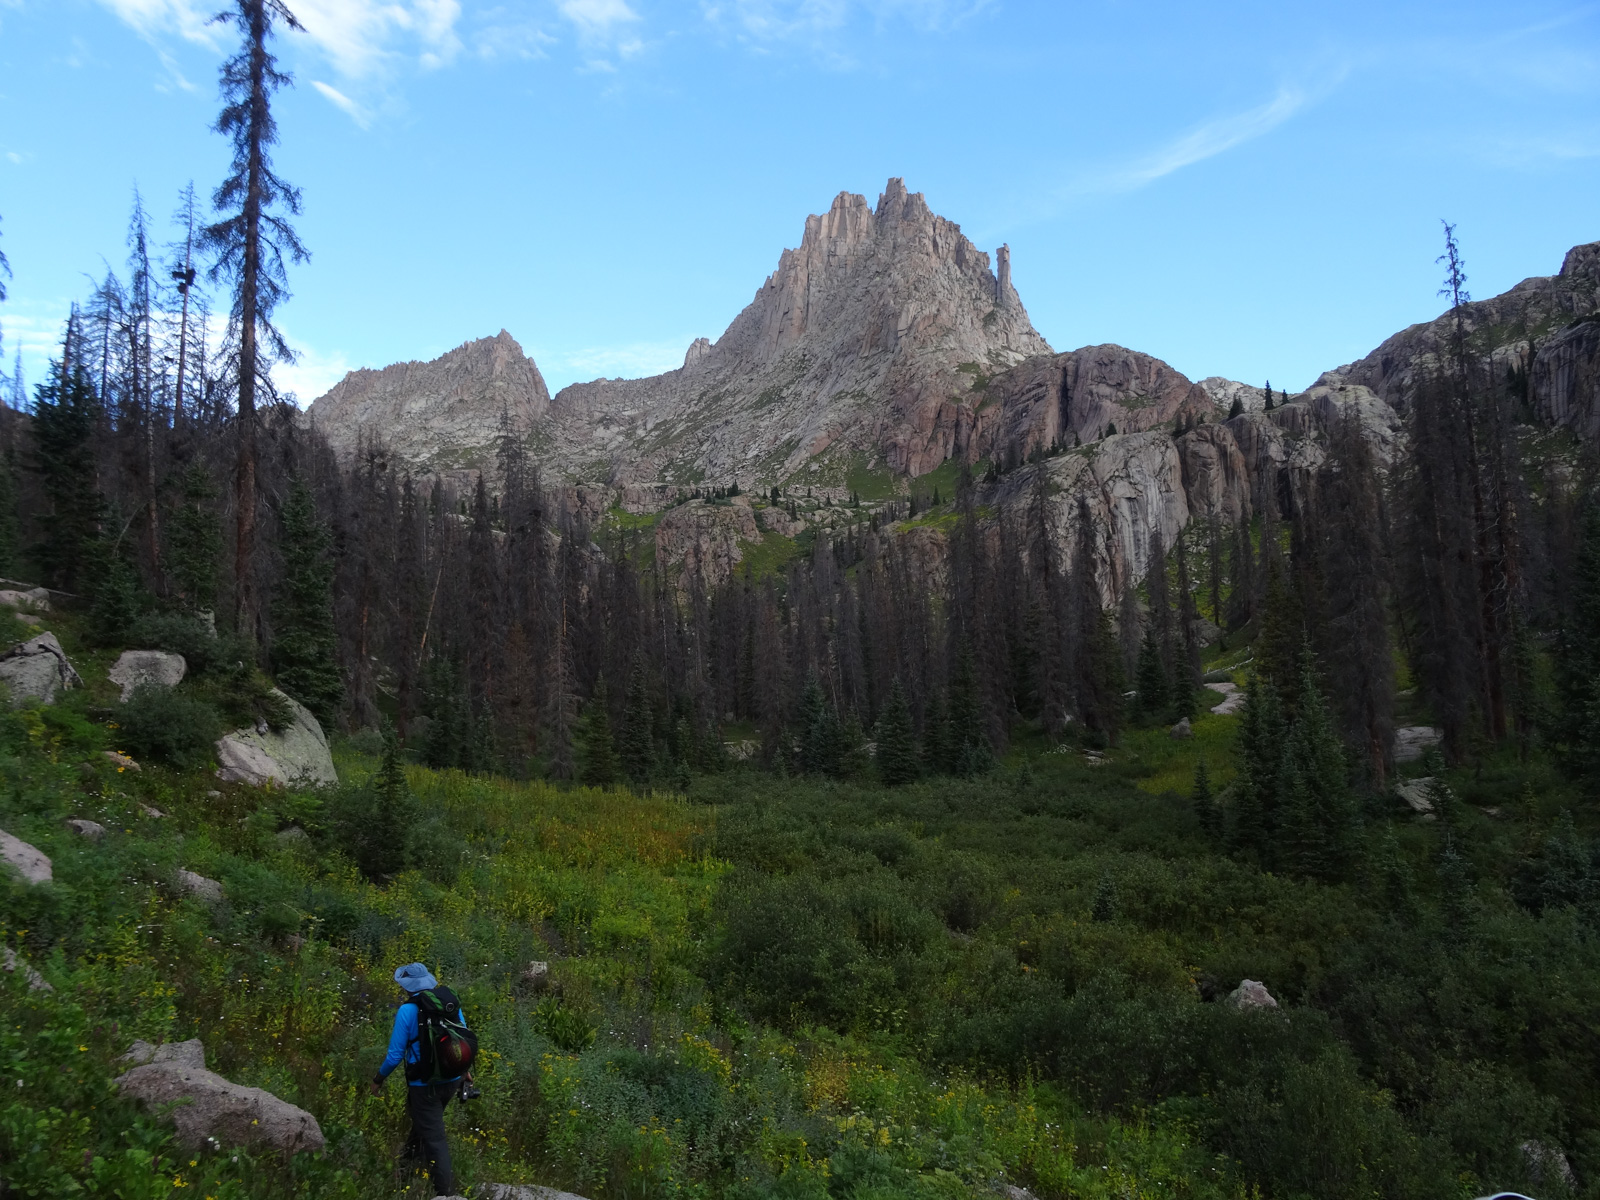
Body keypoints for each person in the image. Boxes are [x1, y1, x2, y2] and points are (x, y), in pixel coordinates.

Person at [369, 962, 470, 1195]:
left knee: (435, 1139)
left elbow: (395, 1055)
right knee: (423, 1123)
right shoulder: (449, 1003)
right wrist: (464, 1071)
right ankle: (405, 1168)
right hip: (452, 1079)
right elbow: (462, 1040)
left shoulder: (407, 1011)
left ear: (406, 986)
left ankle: (446, 1194)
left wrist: (378, 1078)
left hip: (424, 1085)